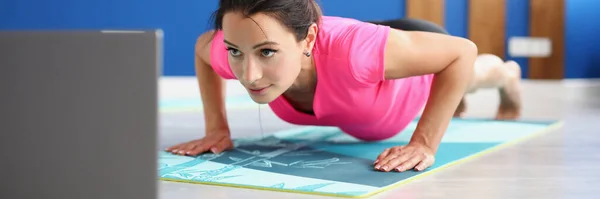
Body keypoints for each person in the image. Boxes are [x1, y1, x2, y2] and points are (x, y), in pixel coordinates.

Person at [166, 0, 522, 173]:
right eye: (235, 53)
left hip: (405, 62)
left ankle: (506, 75)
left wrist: (424, 143)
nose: (250, 75)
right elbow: (203, 50)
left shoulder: (355, 53)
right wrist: (216, 128)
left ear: (308, 40)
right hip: (365, 54)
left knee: (472, 77)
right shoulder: (235, 45)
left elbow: (461, 51)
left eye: (268, 52)